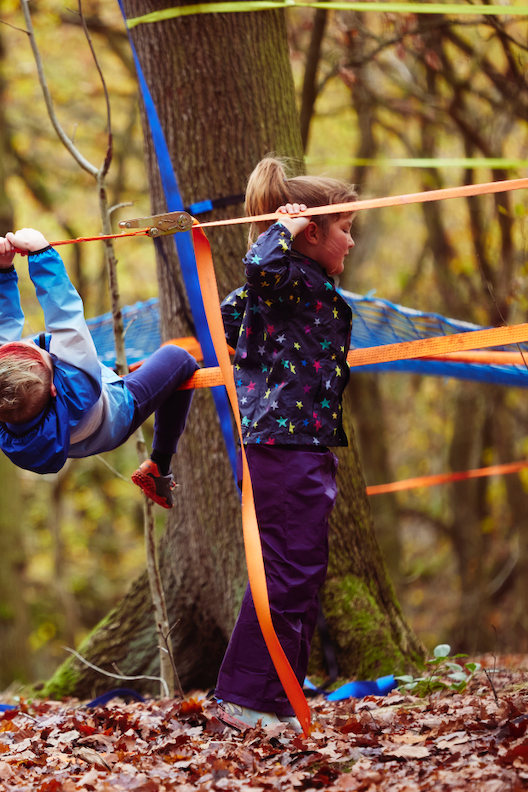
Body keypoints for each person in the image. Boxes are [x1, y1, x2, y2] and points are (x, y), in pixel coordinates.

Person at [213, 156, 358, 731]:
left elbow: (234, 313)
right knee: (286, 575)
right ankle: (247, 700)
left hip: (305, 443)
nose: (351, 241)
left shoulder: (300, 287)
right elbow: (257, 266)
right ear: (313, 233)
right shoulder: (288, 276)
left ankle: (278, 695)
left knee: (302, 573)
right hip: (284, 443)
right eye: (344, 228)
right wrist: (284, 229)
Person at [0, 228, 199, 507]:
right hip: (117, 419)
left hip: (73, 436)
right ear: (56, 388)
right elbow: (66, 318)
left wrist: (0, 271)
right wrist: (41, 254)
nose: (34, 345)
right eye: (44, 355)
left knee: (64, 356)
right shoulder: (76, 389)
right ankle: (160, 467)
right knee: (180, 358)